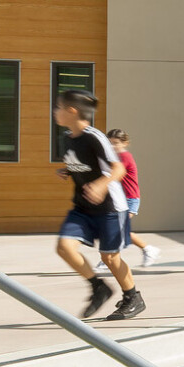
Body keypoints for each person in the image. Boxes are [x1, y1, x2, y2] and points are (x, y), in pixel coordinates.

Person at [55, 92, 143, 320]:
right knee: (64, 247)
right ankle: (98, 287)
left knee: (110, 258)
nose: (55, 112)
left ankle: (133, 297)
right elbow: (86, 164)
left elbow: (118, 169)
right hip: (83, 207)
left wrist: (101, 184)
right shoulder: (68, 138)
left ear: (72, 111)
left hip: (111, 208)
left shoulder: (95, 137)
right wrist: (69, 170)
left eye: (58, 107)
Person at [107, 129, 160, 267]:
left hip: (130, 199)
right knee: (118, 229)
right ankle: (147, 250)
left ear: (125, 143)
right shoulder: (115, 158)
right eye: (110, 143)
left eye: (116, 143)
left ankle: (148, 250)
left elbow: (113, 174)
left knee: (118, 229)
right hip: (121, 200)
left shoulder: (124, 156)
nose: (112, 146)